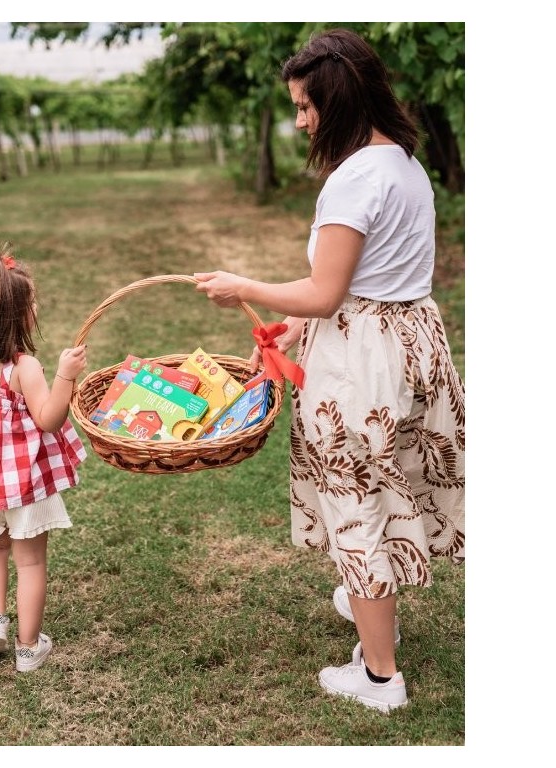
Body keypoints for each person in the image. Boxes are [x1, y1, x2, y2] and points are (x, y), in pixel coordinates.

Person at [194, 28, 464, 712]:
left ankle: (380, 678)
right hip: (408, 344)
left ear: (337, 100)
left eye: (307, 106)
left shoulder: (353, 180)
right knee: (386, 484)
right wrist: (292, 321)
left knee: (357, 501)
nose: (299, 120)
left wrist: (245, 287)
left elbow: (325, 292)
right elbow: (364, 282)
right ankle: (375, 613)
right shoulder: (403, 162)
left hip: (362, 365)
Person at [0, 245, 88, 672]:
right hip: (24, 482)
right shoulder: (24, 367)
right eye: (31, 303)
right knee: (29, 562)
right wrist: (65, 375)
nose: (37, 307)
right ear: (12, 317)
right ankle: (28, 648)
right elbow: (48, 419)